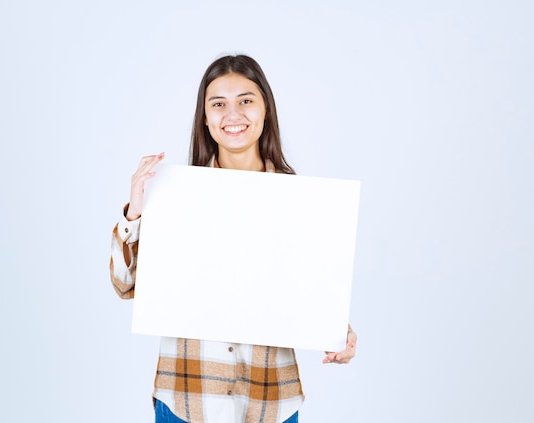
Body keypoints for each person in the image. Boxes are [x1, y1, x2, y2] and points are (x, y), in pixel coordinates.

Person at [110, 54, 357, 423]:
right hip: (187, 397)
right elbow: (124, 285)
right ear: (205, 119)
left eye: (246, 100)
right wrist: (136, 212)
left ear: (265, 110)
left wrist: (338, 333)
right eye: (218, 104)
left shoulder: (303, 202)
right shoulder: (171, 193)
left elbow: (311, 296)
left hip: (269, 400)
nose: (233, 114)